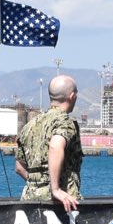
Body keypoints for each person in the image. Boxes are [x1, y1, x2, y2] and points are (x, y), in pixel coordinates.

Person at [14, 75, 82, 212]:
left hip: (30, 203)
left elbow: (19, 167)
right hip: (60, 205)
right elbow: (55, 146)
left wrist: (39, 184)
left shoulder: (31, 125)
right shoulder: (64, 121)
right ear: (72, 96)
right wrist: (55, 189)